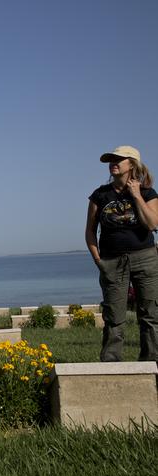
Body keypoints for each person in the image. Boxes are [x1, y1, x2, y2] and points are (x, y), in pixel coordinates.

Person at [85, 145, 158, 362]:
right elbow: (90, 231)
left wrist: (136, 195)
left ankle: (151, 362)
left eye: (119, 159)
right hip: (112, 261)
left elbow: (153, 224)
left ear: (132, 165)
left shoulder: (147, 193)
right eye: (112, 159)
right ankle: (111, 363)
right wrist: (98, 260)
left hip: (145, 258)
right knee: (114, 316)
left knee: (150, 314)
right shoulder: (99, 195)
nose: (113, 163)